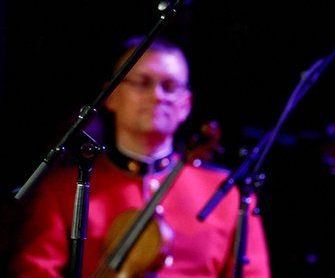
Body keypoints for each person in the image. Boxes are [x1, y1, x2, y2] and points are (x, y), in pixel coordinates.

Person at [10, 37, 271, 277]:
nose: (157, 96)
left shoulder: (226, 194)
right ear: (111, 96)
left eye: (169, 86)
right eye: (143, 82)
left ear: (186, 104)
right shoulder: (62, 190)